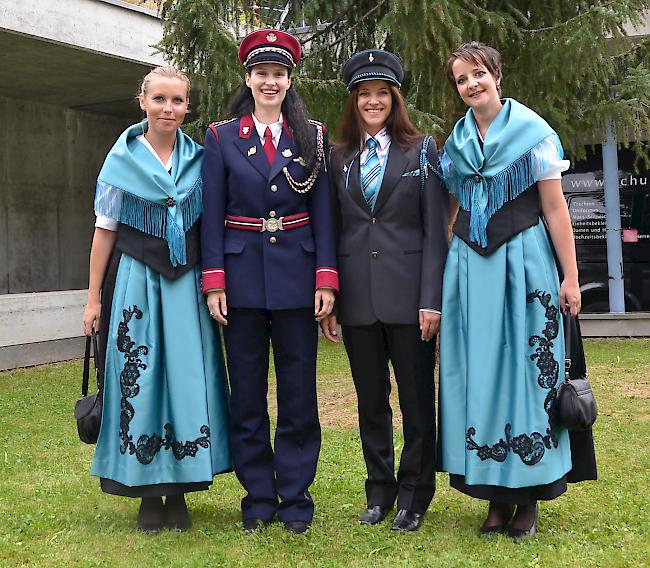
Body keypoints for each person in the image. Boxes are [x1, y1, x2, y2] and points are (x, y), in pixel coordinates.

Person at [438, 42, 592, 539]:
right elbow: (453, 210)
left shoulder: (532, 133)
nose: (471, 85)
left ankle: (528, 496)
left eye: (478, 74)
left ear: (497, 75)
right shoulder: (457, 141)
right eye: (462, 79)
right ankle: (493, 497)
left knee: (528, 375)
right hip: (470, 269)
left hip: (525, 265)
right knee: (478, 373)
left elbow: (555, 210)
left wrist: (570, 277)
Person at [200, 29, 338, 535]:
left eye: (278, 74)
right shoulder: (220, 137)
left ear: (289, 79)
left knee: (299, 393)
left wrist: (326, 278)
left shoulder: (313, 137)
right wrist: (214, 280)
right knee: (248, 395)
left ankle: (296, 497)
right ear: (248, 78)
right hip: (239, 282)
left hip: (299, 279)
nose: (269, 82)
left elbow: (323, 213)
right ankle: (258, 495)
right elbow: (210, 213)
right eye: (261, 73)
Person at [82, 66, 231, 533]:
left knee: (189, 379)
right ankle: (147, 490)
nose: (169, 109)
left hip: (185, 285)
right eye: (161, 99)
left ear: (188, 107)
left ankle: (181, 487)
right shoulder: (119, 162)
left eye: (178, 101)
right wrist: (92, 300)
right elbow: (104, 233)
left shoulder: (200, 160)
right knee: (138, 378)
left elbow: (212, 229)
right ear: (142, 102)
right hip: (136, 282)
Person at [320, 50, 449, 532]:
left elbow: (436, 230)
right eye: (363, 94)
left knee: (417, 403)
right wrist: (330, 294)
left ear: (396, 99)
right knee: (370, 401)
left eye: (382, 93)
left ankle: (415, 496)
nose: (372, 102)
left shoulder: (423, 151)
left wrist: (431, 298)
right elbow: (331, 230)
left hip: (411, 300)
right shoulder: (337, 158)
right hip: (356, 300)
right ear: (353, 102)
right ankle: (379, 493)